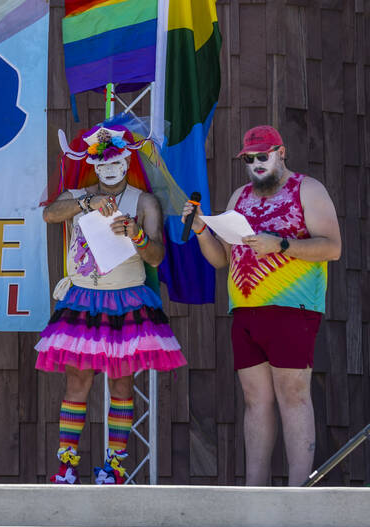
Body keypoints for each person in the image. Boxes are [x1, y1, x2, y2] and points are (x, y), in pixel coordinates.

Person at [182, 125, 340, 486]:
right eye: (249, 158)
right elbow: (221, 259)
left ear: (281, 153)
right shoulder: (239, 196)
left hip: (293, 307)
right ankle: (256, 494)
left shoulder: (308, 188)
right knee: (255, 400)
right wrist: (202, 230)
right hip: (244, 310)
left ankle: (299, 492)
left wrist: (281, 245)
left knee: (293, 394)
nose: (255, 163)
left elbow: (332, 247)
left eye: (262, 156)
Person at [36, 124, 186, 485]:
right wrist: (86, 202)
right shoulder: (78, 193)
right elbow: (49, 214)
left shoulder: (144, 202)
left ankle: (115, 468)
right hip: (83, 298)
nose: (108, 168)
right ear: (91, 164)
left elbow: (155, 256)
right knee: (77, 380)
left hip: (126, 298)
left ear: (126, 160)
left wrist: (135, 233)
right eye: (100, 162)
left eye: (115, 160)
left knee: (121, 383)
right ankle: (66, 467)